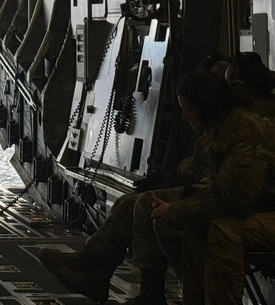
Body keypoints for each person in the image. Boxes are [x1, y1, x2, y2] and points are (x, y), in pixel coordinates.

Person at [39, 66, 275, 305]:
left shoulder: (245, 130)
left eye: (187, 109)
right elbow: (199, 170)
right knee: (143, 203)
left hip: (256, 205)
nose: (184, 116)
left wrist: (175, 210)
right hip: (233, 197)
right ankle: (101, 272)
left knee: (201, 225)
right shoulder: (219, 128)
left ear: (204, 107)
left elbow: (234, 199)